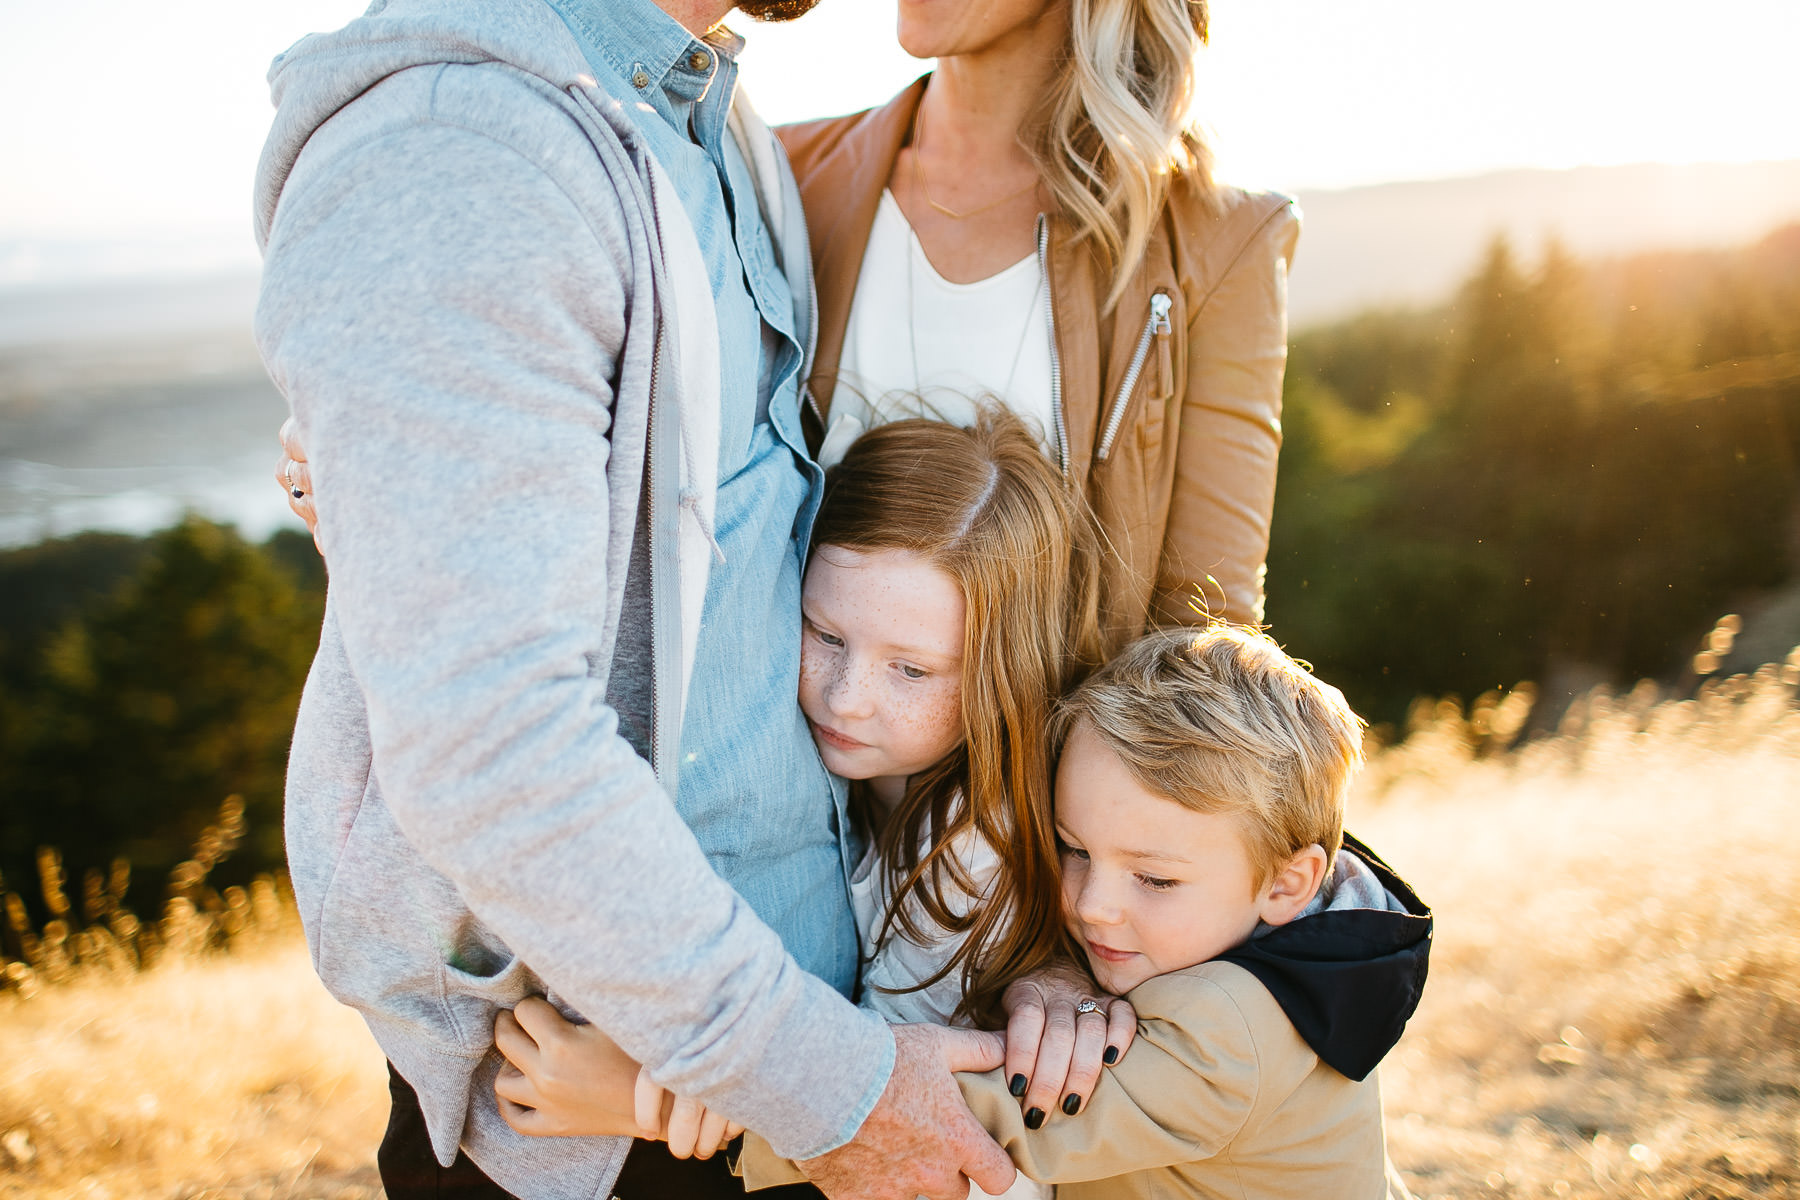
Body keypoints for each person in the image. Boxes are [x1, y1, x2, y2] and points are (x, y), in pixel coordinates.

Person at [251, 0, 1040, 1196]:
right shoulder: (461, 153)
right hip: (605, 1111)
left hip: (783, 1060)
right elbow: (490, 742)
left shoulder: (711, 130)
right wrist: (837, 1090)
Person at [490, 408, 1122, 1200]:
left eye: (913, 671)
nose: (847, 697)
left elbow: (878, 1115)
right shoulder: (868, 778)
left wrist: (640, 1099)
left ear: (1005, 673)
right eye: (826, 634)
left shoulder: (968, 847)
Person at [743, 623, 1433, 1197]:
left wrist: (741, 1085)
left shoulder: (1229, 1034)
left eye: (1155, 880)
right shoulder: (1316, 966)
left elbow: (947, 1118)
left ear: (1287, 884)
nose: (1094, 906)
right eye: (1074, 849)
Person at [780, 0, 1299, 645]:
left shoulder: (1216, 239)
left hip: (1053, 744)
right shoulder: (784, 174)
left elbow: (1201, 637)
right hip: (778, 738)